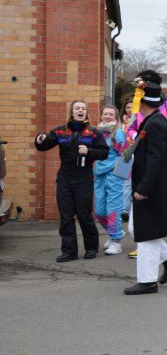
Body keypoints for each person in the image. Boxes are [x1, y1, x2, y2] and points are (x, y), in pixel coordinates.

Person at [123, 81, 167, 295]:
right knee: (136, 228)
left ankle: (147, 281)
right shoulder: (152, 121)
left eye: (136, 98)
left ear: (143, 100)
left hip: (152, 188)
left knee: (146, 234)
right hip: (148, 185)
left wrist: (144, 188)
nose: (133, 102)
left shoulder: (156, 123)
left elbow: (156, 160)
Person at [35, 100, 109, 262]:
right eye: (77, 108)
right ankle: (69, 251)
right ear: (72, 111)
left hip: (84, 177)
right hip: (65, 177)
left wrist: (88, 151)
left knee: (84, 215)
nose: (80, 110)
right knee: (66, 216)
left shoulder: (94, 132)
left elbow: (104, 152)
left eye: (83, 108)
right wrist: (39, 139)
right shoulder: (61, 131)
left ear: (86, 112)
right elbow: (44, 144)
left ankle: (91, 248)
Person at [127, 70, 167, 257]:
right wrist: (136, 139)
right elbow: (131, 128)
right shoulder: (139, 108)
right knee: (146, 216)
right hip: (143, 158)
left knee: (162, 206)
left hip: (163, 162)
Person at [93, 105, 127, 255]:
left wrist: (118, 174)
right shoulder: (98, 133)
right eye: (105, 114)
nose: (107, 116)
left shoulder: (118, 133)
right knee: (99, 211)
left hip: (113, 176)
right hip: (99, 174)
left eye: (110, 114)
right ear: (101, 116)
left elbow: (125, 155)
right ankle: (115, 233)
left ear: (116, 117)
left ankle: (116, 241)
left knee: (112, 210)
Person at [121, 98, 134, 223]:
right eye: (127, 107)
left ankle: (133, 210)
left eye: (132, 107)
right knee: (125, 182)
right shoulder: (121, 123)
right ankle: (124, 210)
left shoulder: (139, 121)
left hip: (138, 153)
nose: (129, 110)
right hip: (124, 155)